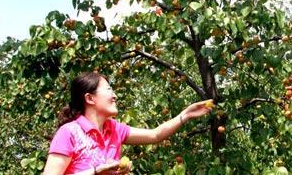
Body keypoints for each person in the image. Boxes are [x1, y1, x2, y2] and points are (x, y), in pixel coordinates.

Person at [43, 71, 213, 175]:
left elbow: (155, 134)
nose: (115, 95)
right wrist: (96, 171)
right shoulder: (69, 132)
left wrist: (186, 114)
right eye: (109, 89)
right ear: (89, 98)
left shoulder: (114, 129)